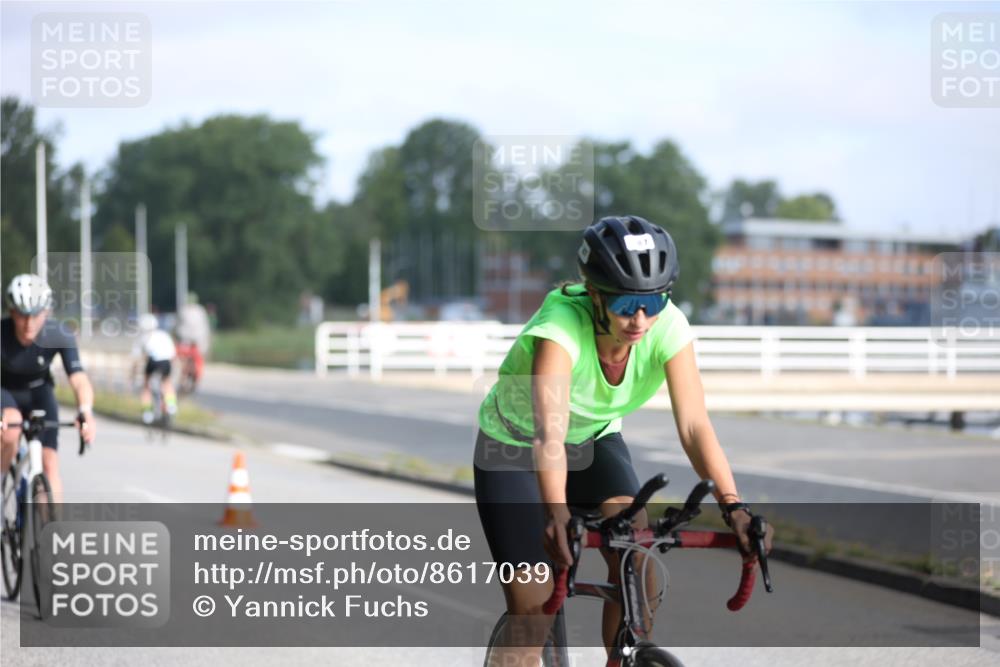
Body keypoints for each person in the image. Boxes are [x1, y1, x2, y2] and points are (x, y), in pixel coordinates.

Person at [474, 216, 773, 664]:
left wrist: (735, 507)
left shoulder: (667, 326)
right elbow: (549, 432)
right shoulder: (559, 329)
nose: (639, 319)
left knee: (639, 558)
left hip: (595, 441)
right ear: (594, 295)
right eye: (626, 303)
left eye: (652, 303)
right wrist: (556, 514)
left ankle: (624, 656)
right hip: (515, 448)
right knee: (532, 614)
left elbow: (694, 424)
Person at [1, 274, 96, 502]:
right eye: (22, 315)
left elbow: (78, 378)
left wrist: (85, 410)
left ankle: (52, 531)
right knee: (11, 430)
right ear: (12, 312)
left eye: (36, 315)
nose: (29, 323)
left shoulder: (58, 334)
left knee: (50, 462)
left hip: (39, 391)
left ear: (46, 313)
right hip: (5, 390)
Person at [132, 313, 178, 424]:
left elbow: (137, 358)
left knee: (146, 386)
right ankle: (171, 405)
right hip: (166, 362)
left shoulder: (143, 338)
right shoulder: (164, 335)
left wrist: (133, 372)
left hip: (152, 362)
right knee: (166, 382)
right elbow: (173, 356)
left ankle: (147, 412)